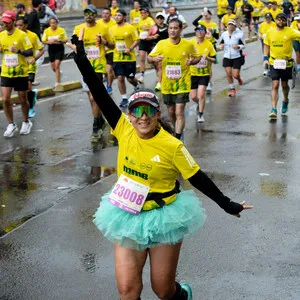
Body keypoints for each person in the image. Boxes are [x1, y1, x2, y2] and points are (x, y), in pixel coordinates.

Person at [67, 29, 252, 300]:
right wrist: (81, 58)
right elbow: (98, 91)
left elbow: (197, 176)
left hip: (164, 214)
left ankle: (181, 294)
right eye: (137, 111)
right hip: (127, 213)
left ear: (157, 114)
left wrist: (226, 204)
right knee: (128, 291)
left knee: (162, 289)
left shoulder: (172, 145)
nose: (143, 117)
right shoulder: (123, 128)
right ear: (129, 116)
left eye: (149, 111)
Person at [148, 19, 201, 141]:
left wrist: (192, 61)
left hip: (182, 84)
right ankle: (177, 129)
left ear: (181, 29)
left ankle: (177, 137)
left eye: (175, 28)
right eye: (170, 28)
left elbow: (198, 57)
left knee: (179, 112)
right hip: (167, 85)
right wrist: (155, 58)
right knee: (171, 112)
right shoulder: (162, 44)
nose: (172, 31)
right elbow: (149, 58)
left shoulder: (188, 45)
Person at [74, 4, 113, 141]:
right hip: (84, 65)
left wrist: (104, 41)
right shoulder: (79, 29)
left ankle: (96, 126)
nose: (88, 16)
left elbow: (112, 45)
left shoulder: (103, 28)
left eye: (91, 13)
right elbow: (74, 46)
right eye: (86, 13)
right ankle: (100, 119)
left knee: (93, 97)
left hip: (98, 67)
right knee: (91, 97)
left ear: (95, 15)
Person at [0, 10, 33, 137]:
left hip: (20, 72)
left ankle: (26, 121)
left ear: (13, 21)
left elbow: (30, 52)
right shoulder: (1, 35)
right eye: (3, 22)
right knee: (6, 99)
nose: (5, 24)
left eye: (7, 22)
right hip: (6, 72)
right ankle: (11, 124)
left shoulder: (21, 35)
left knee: (22, 99)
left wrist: (18, 50)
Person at [264, 13, 300, 119]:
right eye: (279, 20)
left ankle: (285, 100)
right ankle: (273, 109)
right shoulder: (270, 32)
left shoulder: (290, 31)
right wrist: (265, 59)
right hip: (273, 62)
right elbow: (266, 45)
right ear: (275, 20)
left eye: (283, 20)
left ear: (286, 21)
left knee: (284, 85)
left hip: (286, 63)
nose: (281, 22)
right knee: (275, 85)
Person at [109, 9, 140, 107]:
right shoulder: (112, 29)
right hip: (117, 58)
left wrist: (130, 48)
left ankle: (136, 85)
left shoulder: (130, 28)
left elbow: (137, 40)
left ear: (124, 17)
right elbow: (112, 42)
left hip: (129, 58)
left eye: (119, 15)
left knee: (130, 78)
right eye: (115, 15)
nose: (116, 17)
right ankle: (124, 98)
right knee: (120, 78)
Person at [16, 15, 44, 118]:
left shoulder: (33, 36)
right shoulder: (14, 35)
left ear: (26, 25)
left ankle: (31, 108)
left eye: (21, 25)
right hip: (17, 66)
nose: (19, 28)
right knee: (21, 91)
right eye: (17, 25)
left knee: (28, 87)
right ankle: (31, 97)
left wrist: (34, 59)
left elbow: (41, 50)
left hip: (30, 66)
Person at [190, 25, 216, 123]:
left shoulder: (209, 44)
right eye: (197, 30)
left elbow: (214, 59)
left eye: (201, 30)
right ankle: (200, 103)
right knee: (193, 96)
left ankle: (200, 114)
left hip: (204, 74)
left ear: (205, 32)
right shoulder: (190, 43)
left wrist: (208, 58)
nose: (199, 32)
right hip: (192, 73)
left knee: (201, 94)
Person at [192, 8, 219, 92]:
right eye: (205, 14)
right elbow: (194, 22)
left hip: (210, 45)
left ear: (210, 15)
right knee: (199, 63)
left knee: (208, 65)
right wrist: (201, 15)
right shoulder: (201, 23)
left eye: (207, 14)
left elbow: (217, 37)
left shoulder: (214, 24)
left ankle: (208, 82)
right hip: (200, 45)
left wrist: (212, 31)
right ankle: (201, 80)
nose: (206, 15)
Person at [219, 19, 245, 97]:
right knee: (228, 73)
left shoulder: (239, 34)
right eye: (229, 24)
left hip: (236, 56)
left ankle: (239, 78)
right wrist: (221, 46)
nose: (230, 26)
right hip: (227, 56)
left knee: (235, 75)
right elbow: (221, 43)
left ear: (234, 26)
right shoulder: (224, 34)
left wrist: (238, 46)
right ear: (227, 26)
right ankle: (232, 89)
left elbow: (244, 45)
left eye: (232, 25)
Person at [42, 17, 67, 88]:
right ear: (49, 24)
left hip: (59, 49)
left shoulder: (61, 30)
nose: (53, 24)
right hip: (51, 49)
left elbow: (66, 40)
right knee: (53, 67)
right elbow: (43, 41)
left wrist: (59, 41)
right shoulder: (46, 31)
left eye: (54, 23)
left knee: (57, 65)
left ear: (56, 23)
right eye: (51, 23)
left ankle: (57, 82)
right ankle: (59, 73)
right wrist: (49, 42)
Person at [147, 12, 169, 91]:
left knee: (160, 66)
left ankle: (159, 83)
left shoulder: (168, 27)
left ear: (164, 19)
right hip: (155, 48)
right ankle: (160, 77)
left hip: (165, 47)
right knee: (157, 66)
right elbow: (147, 37)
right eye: (158, 18)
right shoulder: (153, 27)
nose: (160, 19)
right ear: (156, 19)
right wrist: (153, 37)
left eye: (161, 18)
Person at [97, 7, 116, 94]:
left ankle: (109, 86)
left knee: (109, 70)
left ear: (110, 15)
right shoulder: (97, 23)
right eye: (103, 13)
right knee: (103, 71)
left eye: (107, 13)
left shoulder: (114, 24)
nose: (105, 15)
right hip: (100, 51)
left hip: (111, 50)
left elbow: (114, 39)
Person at [137, 7, 155, 84]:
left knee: (152, 60)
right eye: (141, 13)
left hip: (150, 41)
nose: (142, 14)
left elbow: (154, 29)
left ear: (147, 13)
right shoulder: (140, 20)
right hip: (142, 41)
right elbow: (138, 30)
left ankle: (158, 71)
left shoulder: (150, 20)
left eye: (144, 12)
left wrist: (147, 29)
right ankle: (142, 75)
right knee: (141, 57)